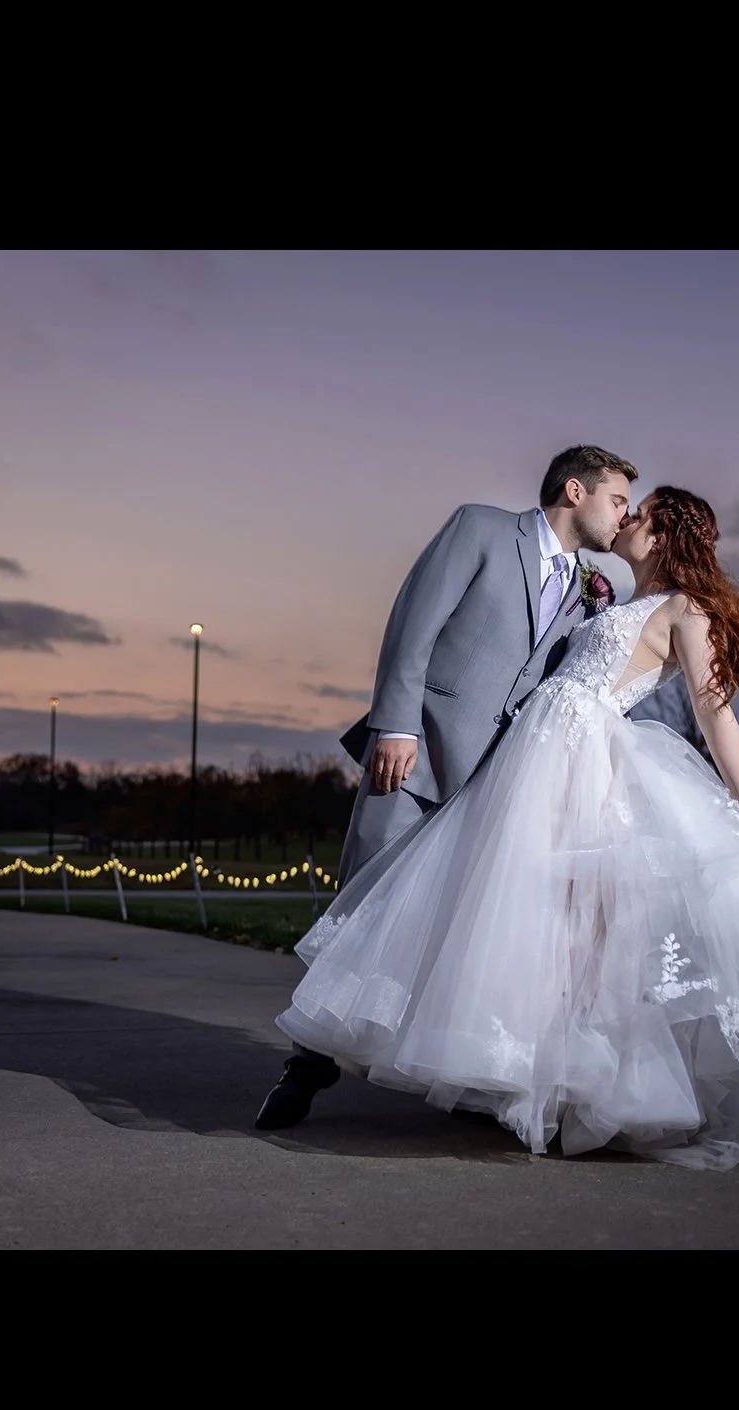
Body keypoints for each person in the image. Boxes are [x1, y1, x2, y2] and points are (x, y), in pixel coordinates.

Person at [272, 485, 739, 1170]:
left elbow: (713, 708)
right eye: (626, 506)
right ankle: (527, 1072)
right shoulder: (609, 595)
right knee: (528, 914)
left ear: (668, 536)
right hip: (535, 753)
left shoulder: (683, 610)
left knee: (589, 925)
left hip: (581, 755)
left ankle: (595, 1084)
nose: (629, 519)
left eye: (641, 515)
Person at [254, 445, 638, 1129]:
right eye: (618, 501)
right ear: (575, 491)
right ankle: (308, 1064)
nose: (624, 516)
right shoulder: (482, 529)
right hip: (415, 760)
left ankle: (461, 1079)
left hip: (499, 787)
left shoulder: (591, 587)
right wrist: (395, 726)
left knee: (467, 936)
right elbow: (413, 625)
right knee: (360, 912)